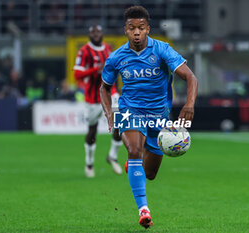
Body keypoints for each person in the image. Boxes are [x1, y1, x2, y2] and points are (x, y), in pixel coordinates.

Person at [100, 6, 198, 229]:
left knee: (150, 174)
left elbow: (191, 78)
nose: (136, 32)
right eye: (132, 28)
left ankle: (132, 164)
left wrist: (189, 104)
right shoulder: (116, 57)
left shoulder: (162, 50)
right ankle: (144, 210)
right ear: (125, 30)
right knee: (134, 149)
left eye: (141, 28)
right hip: (129, 110)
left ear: (148, 29)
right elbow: (104, 88)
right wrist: (110, 115)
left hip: (159, 116)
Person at [74, 24, 123, 178]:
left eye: (98, 31)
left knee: (120, 124)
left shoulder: (108, 49)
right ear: (89, 35)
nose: (96, 34)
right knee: (92, 131)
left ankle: (112, 157)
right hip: (93, 97)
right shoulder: (84, 51)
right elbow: (77, 74)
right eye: (93, 32)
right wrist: (96, 69)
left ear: (102, 33)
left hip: (111, 93)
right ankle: (89, 163)